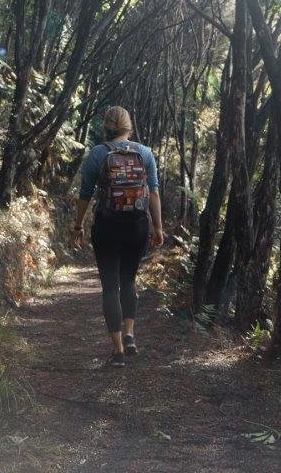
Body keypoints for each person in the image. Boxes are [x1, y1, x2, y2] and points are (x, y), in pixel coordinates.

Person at [73, 106, 164, 367]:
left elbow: (85, 194)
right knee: (129, 279)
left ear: (106, 126)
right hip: (137, 226)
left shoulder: (98, 153)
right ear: (128, 126)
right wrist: (157, 227)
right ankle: (130, 333)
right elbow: (154, 192)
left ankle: (118, 351)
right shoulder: (145, 153)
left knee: (110, 287)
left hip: (107, 226)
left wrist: (77, 226)